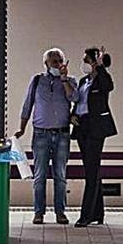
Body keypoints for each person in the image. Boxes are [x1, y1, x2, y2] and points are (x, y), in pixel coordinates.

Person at [16, 48, 77, 225]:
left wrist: (64, 79)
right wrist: (22, 128)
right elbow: (28, 105)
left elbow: (74, 98)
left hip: (62, 134)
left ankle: (60, 212)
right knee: (39, 175)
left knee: (60, 175)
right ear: (46, 64)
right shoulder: (37, 81)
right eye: (54, 62)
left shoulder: (70, 81)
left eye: (60, 61)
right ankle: (38, 212)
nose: (58, 64)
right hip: (40, 134)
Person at [72, 47, 117, 228]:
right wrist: (72, 115)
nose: (83, 63)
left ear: (94, 62)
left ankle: (86, 215)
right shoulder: (83, 81)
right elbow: (80, 102)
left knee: (91, 171)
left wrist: (101, 67)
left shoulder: (102, 80)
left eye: (86, 60)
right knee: (92, 169)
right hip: (82, 126)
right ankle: (98, 213)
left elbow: (109, 86)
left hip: (96, 128)